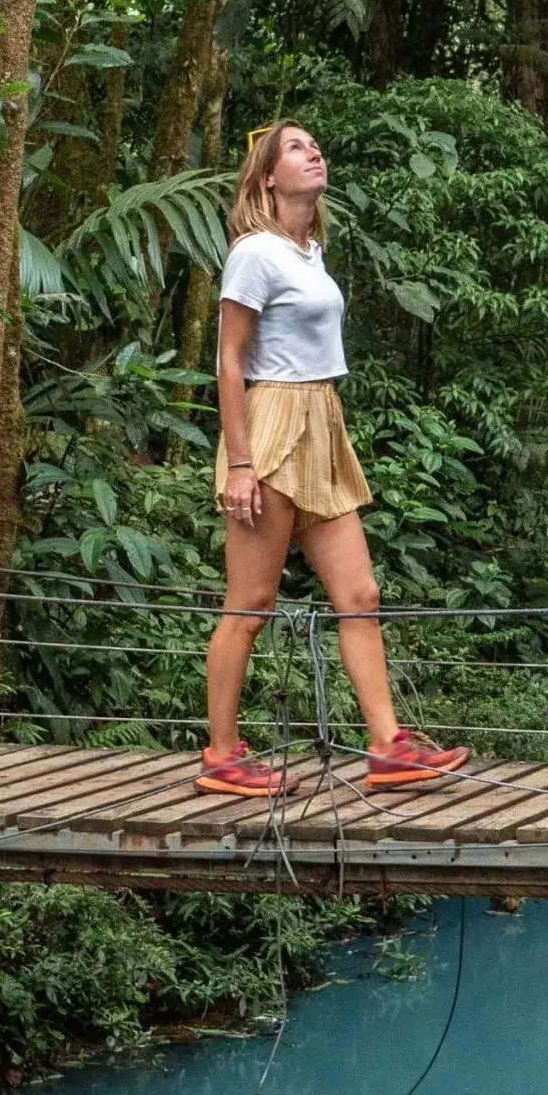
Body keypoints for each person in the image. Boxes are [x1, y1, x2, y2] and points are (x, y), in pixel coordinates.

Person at [197, 120, 470, 798]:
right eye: (296, 146)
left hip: (323, 421)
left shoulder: (308, 250)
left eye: (316, 143)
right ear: (266, 177)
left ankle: (389, 748)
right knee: (252, 601)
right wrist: (239, 462)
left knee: (360, 594)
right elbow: (230, 362)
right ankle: (221, 755)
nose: (314, 150)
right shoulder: (254, 253)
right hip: (272, 422)